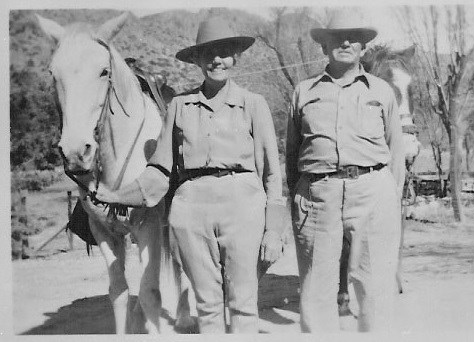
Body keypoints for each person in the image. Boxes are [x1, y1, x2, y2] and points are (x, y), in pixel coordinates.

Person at [96, 16, 286, 333]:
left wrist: (274, 230)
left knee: (243, 305)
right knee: (207, 307)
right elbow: (159, 170)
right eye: (208, 53)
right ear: (196, 59)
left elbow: (272, 174)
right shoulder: (180, 106)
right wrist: (116, 196)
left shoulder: (254, 104)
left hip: (243, 207)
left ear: (235, 56)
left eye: (224, 51)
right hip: (191, 210)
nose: (216, 60)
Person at [286, 13, 405, 332]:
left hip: (372, 192)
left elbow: (396, 154)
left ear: (364, 45)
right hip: (318, 197)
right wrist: (304, 196)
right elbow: (292, 155)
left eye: (353, 36)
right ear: (324, 44)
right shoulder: (303, 91)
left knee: (376, 291)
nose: (346, 42)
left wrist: (386, 197)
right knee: (315, 294)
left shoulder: (381, 92)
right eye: (336, 37)